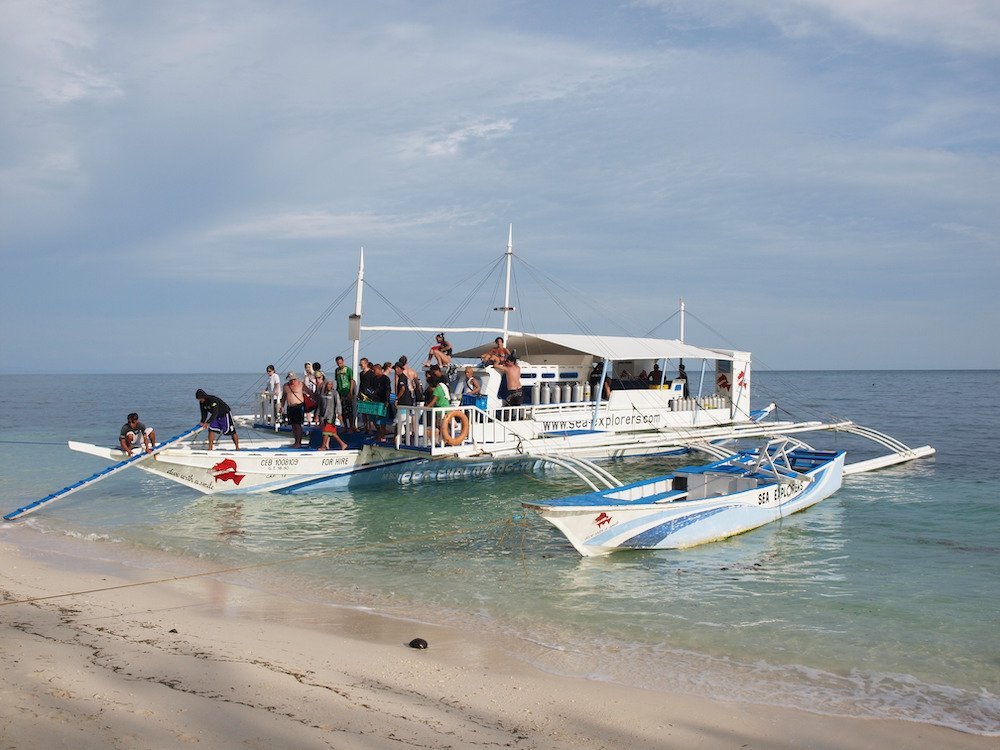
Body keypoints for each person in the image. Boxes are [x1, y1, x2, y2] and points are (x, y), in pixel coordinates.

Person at [318, 380, 348, 450]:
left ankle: (323, 446)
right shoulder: (322, 394)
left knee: (326, 431)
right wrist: (317, 415)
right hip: (323, 416)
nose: (329, 386)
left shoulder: (335, 393)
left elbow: (338, 404)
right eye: (328, 384)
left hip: (331, 416)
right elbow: (320, 406)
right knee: (332, 433)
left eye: (331, 384)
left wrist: (339, 413)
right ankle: (343, 444)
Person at [281, 372, 306, 448]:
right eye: (291, 380)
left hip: (298, 406)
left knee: (298, 425)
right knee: (293, 425)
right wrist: (281, 406)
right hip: (290, 407)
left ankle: (299, 442)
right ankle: (296, 441)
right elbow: (284, 397)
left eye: (294, 379)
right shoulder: (285, 386)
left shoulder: (301, 384)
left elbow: (309, 392)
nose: (293, 381)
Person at [333, 356, 356, 432]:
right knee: (342, 411)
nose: (339, 365)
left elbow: (352, 380)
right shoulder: (337, 370)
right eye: (338, 363)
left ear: (343, 361)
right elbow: (337, 382)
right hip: (340, 392)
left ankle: (351, 427)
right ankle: (345, 426)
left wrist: (350, 392)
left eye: (340, 363)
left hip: (347, 392)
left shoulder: (348, 370)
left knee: (350, 411)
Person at [371, 363, 392, 441]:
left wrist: (387, 400)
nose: (374, 372)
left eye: (375, 370)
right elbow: (373, 389)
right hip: (375, 400)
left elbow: (388, 390)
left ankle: (382, 436)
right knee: (374, 419)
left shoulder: (385, 379)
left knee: (382, 420)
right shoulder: (374, 379)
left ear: (379, 370)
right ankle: (379, 433)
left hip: (383, 401)